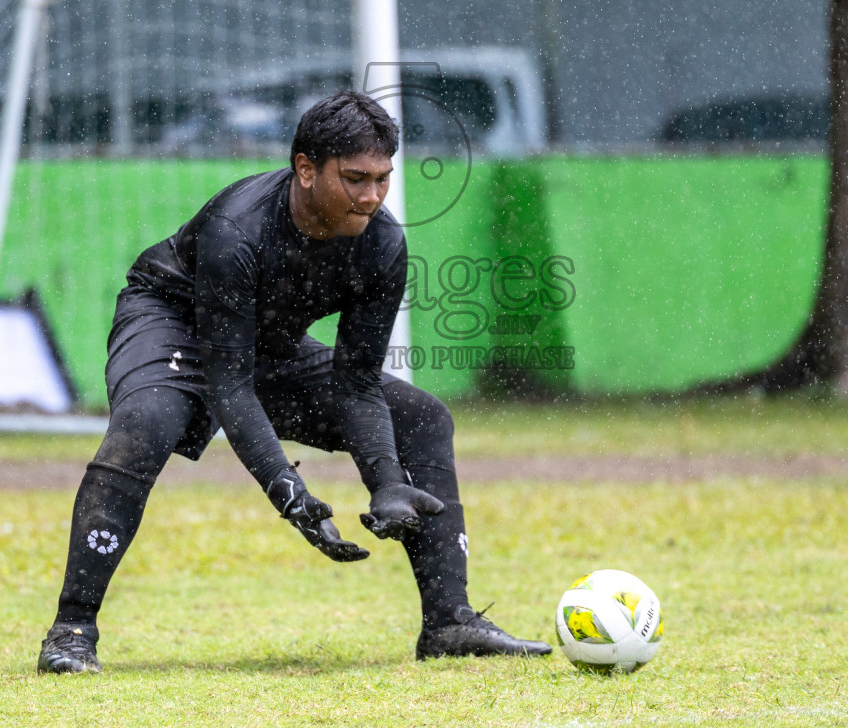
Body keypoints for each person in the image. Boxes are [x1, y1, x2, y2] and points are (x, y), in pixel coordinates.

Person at [38, 90, 550, 672]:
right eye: (355, 178)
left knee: (423, 416)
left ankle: (450, 622)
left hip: (265, 343)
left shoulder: (382, 243)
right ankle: (71, 631)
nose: (372, 197)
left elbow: (355, 383)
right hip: (172, 323)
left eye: (382, 178)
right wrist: (288, 490)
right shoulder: (239, 233)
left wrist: (385, 481)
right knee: (146, 423)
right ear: (306, 169)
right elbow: (230, 386)